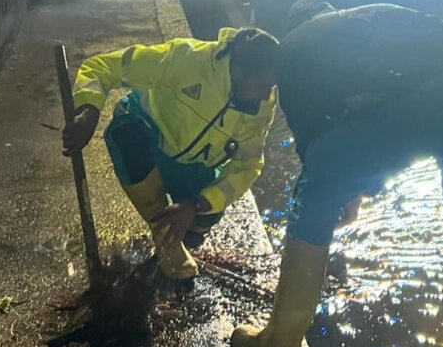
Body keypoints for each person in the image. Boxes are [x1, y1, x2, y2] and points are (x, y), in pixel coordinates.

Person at [231, 0, 443, 347]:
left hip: (429, 96)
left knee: (312, 193)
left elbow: (317, 154)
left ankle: (280, 343)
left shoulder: (294, 50)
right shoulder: (366, 17)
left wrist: (342, 194)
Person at [62, 28, 281, 281]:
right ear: (240, 72)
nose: (267, 95)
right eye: (263, 85)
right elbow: (102, 66)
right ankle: (166, 239)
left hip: (191, 164)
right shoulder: (186, 59)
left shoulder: (263, 103)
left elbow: (248, 165)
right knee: (127, 136)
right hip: (149, 135)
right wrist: (88, 111)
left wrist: (197, 203)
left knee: (203, 220)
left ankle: (180, 230)